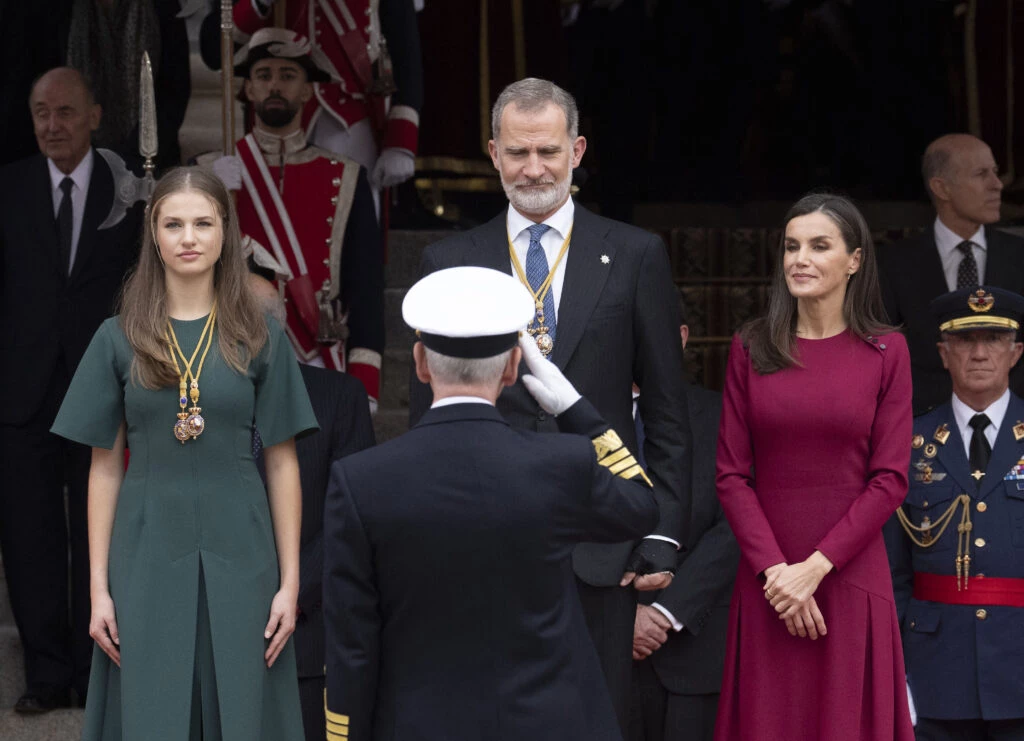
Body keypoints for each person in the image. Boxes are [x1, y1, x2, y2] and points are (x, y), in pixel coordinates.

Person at [408, 77, 691, 732]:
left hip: (604, 546)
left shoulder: (635, 253)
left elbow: (670, 413)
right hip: (478, 542)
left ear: (577, 149)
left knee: (595, 720)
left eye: (548, 151)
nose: (533, 168)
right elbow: (427, 415)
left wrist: (660, 534)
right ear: (492, 153)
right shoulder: (449, 258)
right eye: (517, 152)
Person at [324, 266, 659, 741]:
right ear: (511, 367)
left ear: (419, 363)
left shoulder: (360, 480)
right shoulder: (562, 463)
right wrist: (573, 407)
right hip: (549, 725)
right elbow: (642, 506)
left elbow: (351, 644)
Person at [50, 166, 318, 741]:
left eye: (203, 223)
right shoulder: (115, 337)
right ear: (153, 232)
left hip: (243, 544)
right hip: (145, 544)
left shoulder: (260, 336)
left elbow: (282, 461)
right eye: (174, 224)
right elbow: (101, 468)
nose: (189, 237)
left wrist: (290, 582)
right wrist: (98, 587)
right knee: (150, 706)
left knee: (246, 700)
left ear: (226, 233)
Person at [715, 193, 915, 740]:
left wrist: (815, 567)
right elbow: (731, 475)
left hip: (848, 577)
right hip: (768, 583)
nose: (800, 258)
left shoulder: (886, 350)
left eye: (819, 246)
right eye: (791, 246)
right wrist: (778, 573)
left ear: (854, 260)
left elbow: (890, 478)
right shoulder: (751, 347)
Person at [0, 66, 141, 714]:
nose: (51, 125)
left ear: (94, 115)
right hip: (20, 392)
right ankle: (46, 674)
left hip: (102, 387)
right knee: (28, 536)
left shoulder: (132, 192)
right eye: (40, 113)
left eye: (64, 111)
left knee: (98, 532)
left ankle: (93, 669)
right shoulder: (10, 188)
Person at [204, 28, 384, 409]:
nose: (274, 85)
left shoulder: (347, 175)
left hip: (318, 356)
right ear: (248, 89)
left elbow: (366, 289)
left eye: (288, 76)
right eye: (264, 75)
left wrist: (365, 383)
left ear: (307, 91)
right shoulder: (210, 172)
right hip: (230, 354)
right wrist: (206, 199)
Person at [885, 286, 1024, 740]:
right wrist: (896, 672)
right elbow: (893, 573)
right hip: (935, 671)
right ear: (945, 354)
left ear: (1016, 352)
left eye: (994, 340)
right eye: (966, 341)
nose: (980, 353)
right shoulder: (907, 443)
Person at [248, 274, 376, 741]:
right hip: (212, 635)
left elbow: (353, 518)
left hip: (306, 641)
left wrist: (288, 589)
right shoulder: (190, 405)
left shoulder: (339, 398)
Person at [630, 315, 739, 741]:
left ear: (682, 337)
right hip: (602, 647)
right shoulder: (577, 418)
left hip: (696, 644)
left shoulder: (724, 415)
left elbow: (736, 524)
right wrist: (623, 617)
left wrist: (663, 612)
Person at [202, 0, 423, 203]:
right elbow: (214, 51)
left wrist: (400, 141)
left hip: (355, 123)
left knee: (352, 229)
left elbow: (405, 49)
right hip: (274, 122)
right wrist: (257, 4)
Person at [878, 133, 1024, 415]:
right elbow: (880, 358)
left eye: (995, 173)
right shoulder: (894, 265)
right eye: (982, 174)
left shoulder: (1019, 255)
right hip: (924, 430)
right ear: (941, 188)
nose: (997, 185)